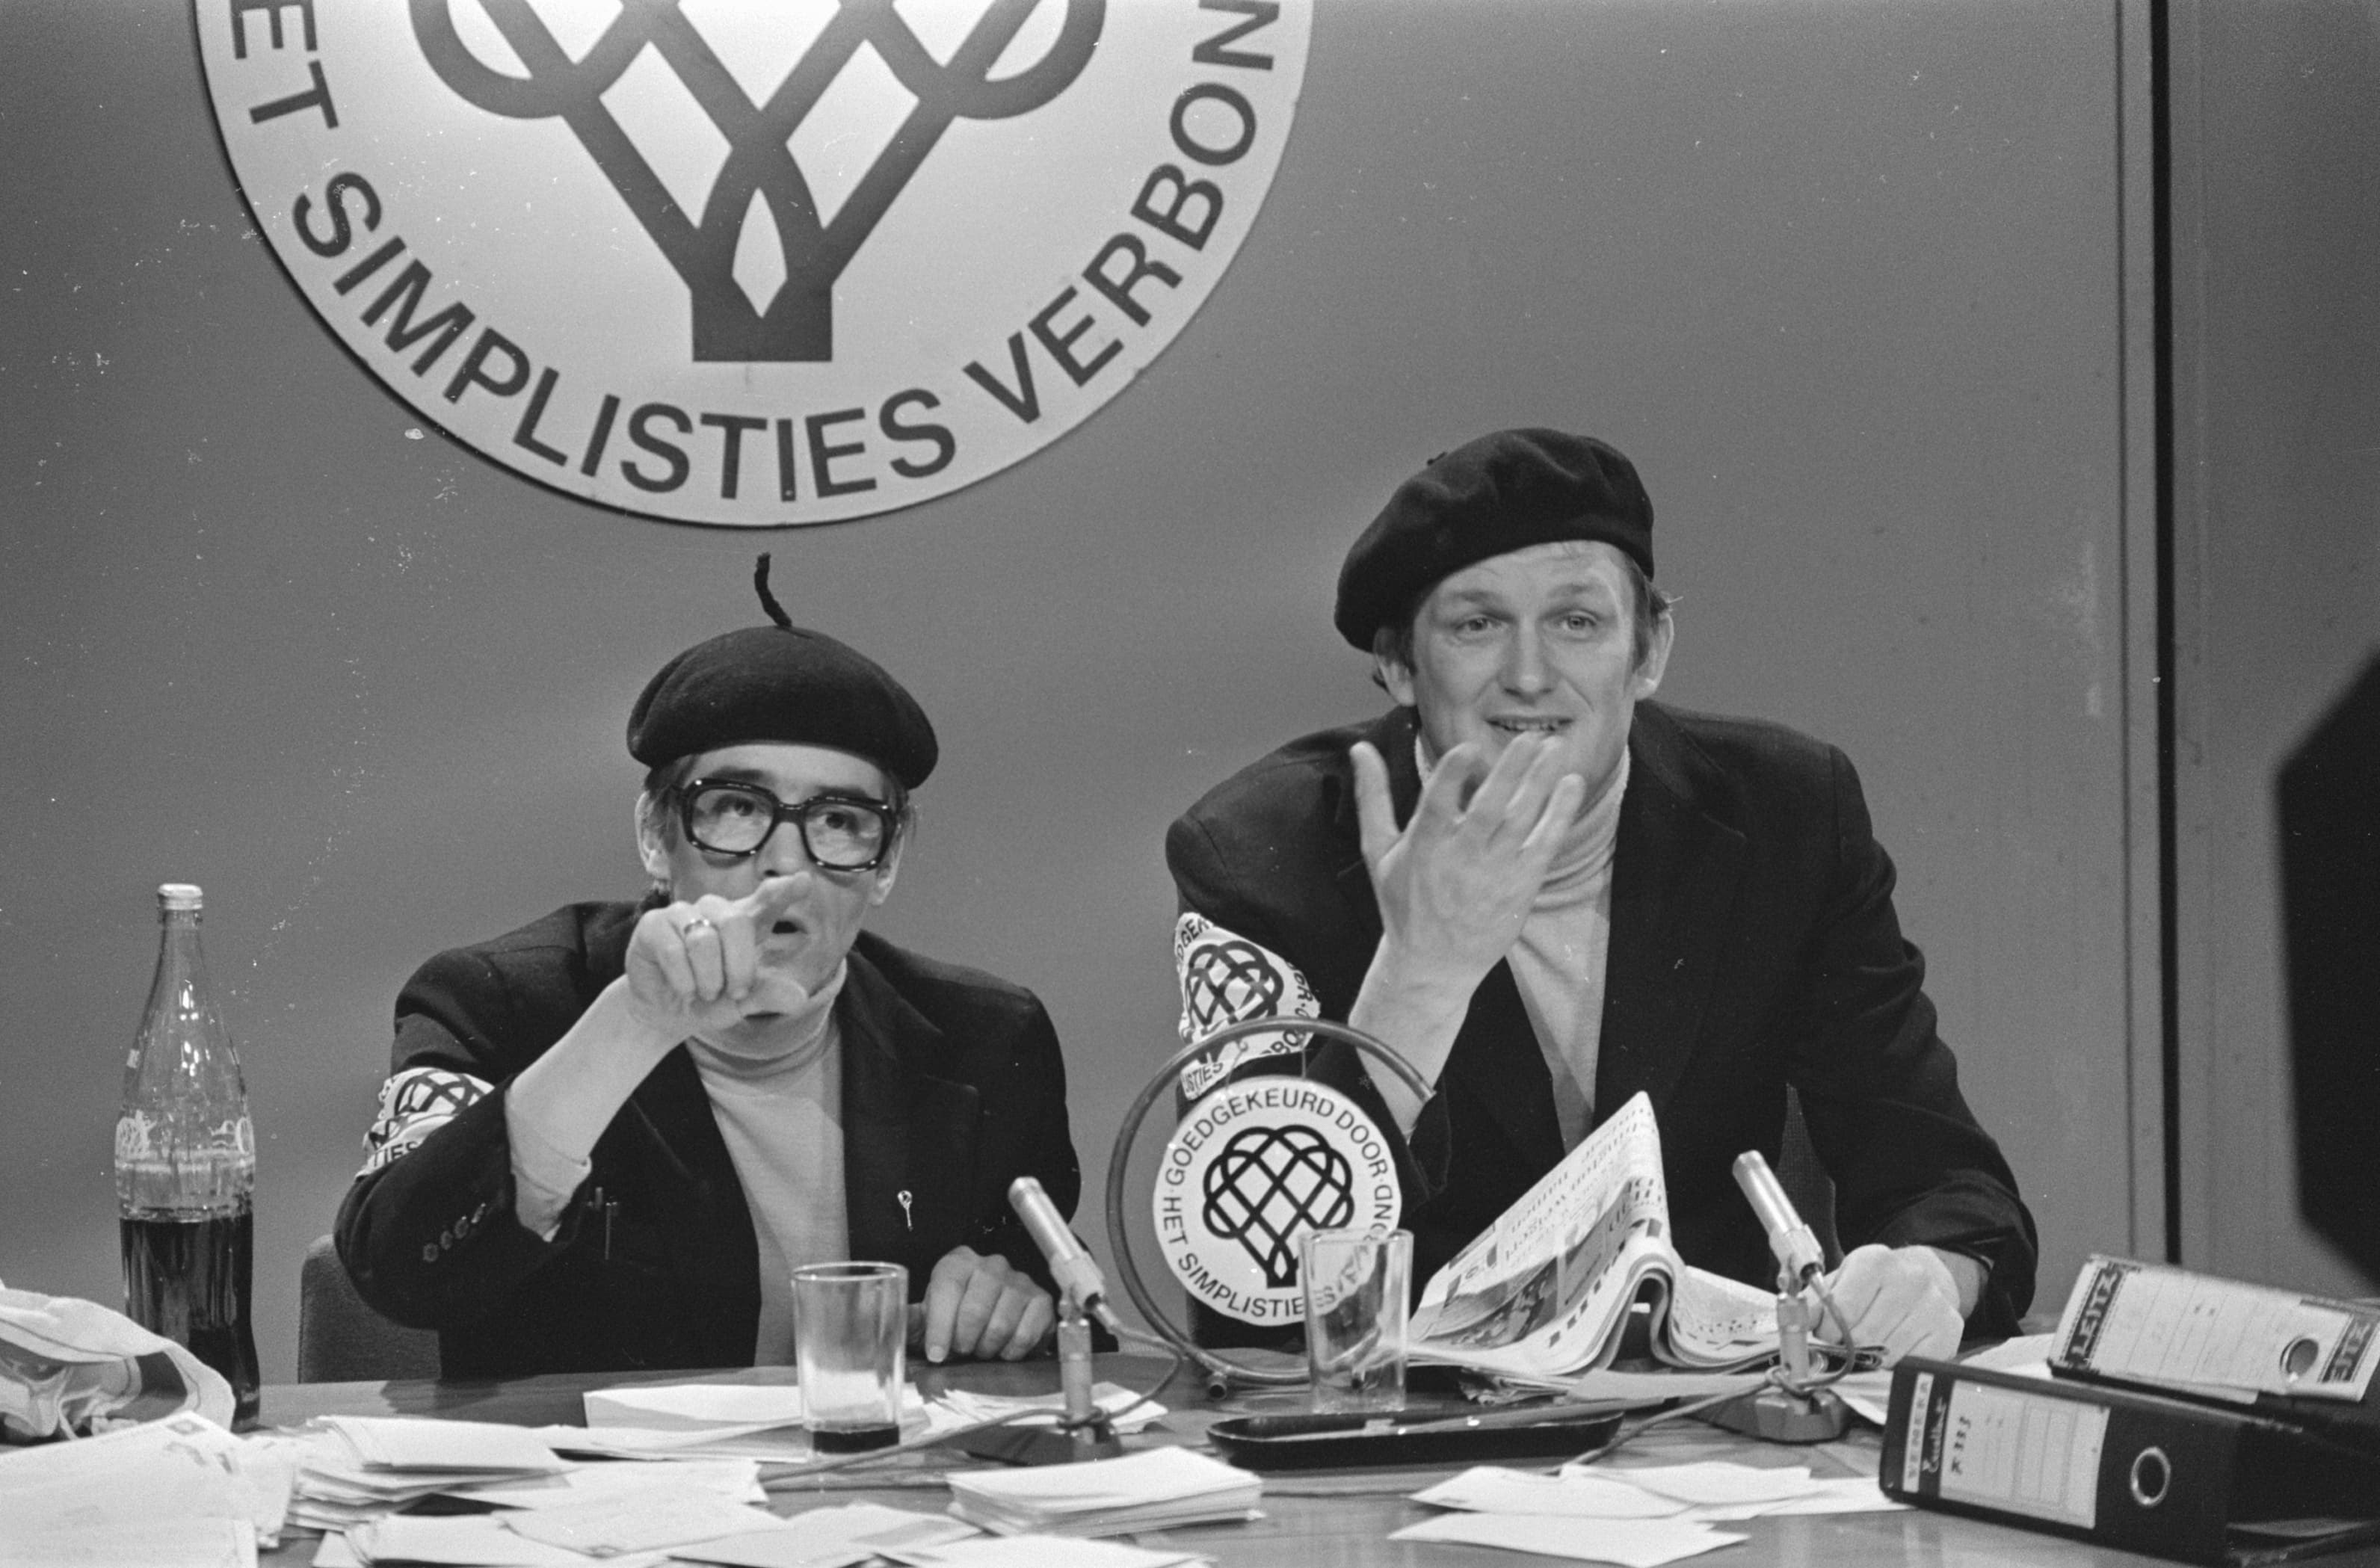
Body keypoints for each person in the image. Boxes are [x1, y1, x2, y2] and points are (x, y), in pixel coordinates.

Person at [1166, 430, 2037, 1364]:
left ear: (1648, 651)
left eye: (1576, 622)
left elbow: (1945, 1180)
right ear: (1400, 666)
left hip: (1708, 1409)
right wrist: (1419, 976)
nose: (1529, 674)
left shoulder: (1785, 814)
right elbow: (1251, 1298)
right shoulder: (1259, 857)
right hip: (1406, 1419)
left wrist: (1930, 1276)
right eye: (1475, 625)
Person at [337, 559, 1082, 1377]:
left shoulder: (987, 1041)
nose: (785, 864)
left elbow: (1058, 1309)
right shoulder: (500, 1004)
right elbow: (399, 1272)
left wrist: (1012, 1302)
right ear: (656, 836)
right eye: (736, 808)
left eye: (840, 821)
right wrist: (636, 1025)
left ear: (889, 860)